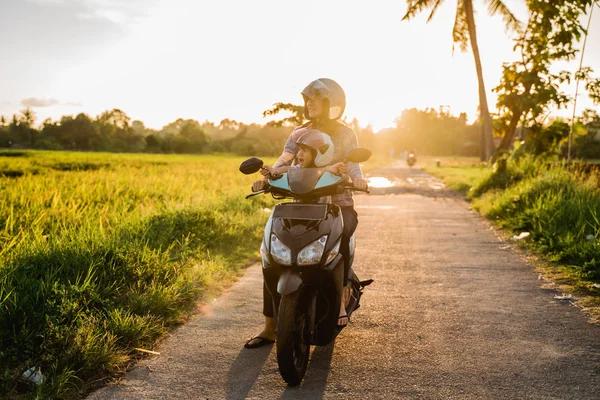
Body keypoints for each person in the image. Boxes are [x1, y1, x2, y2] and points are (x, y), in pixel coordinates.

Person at [245, 78, 368, 349]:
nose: (309, 103)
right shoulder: (299, 132)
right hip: (301, 203)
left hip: (337, 206)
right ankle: (269, 327)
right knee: (272, 255)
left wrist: (358, 180)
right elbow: (284, 160)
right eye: (308, 99)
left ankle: (343, 296)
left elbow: (354, 166)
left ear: (332, 104)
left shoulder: (346, 133)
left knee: (344, 233)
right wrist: (268, 177)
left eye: (316, 99)